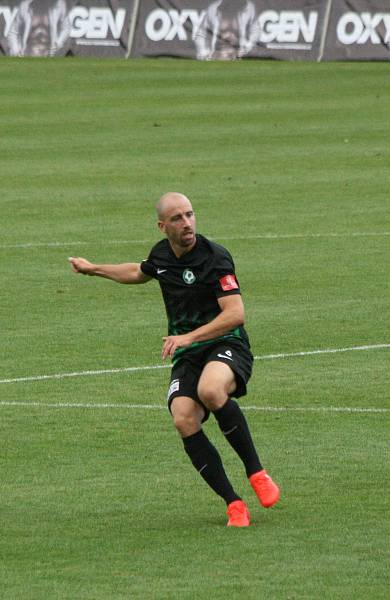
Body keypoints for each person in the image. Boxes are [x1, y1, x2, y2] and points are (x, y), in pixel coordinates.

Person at [68, 192, 279, 527]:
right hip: (189, 354)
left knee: (211, 390)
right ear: (162, 226)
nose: (187, 223)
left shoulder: (215, 257)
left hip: (226, 344)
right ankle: (234, 504)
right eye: (178, 218)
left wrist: (188, 337)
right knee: (183, 418)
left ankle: (257, 473)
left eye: (190, 215)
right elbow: (139, 272)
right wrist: (94, 269)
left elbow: (236, 314)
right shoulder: (162, 254)